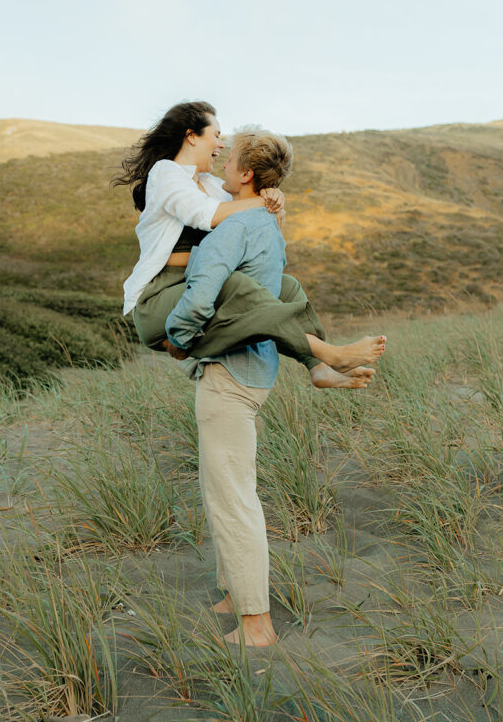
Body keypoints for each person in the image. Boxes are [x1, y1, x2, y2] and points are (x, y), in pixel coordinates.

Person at [165, 129, 372, 646]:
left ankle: (255, 623)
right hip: (257, 370)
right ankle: (235, 593)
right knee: (225, 490)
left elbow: (199, 297)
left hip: (230, 375)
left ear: (247, 174)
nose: (223, 167)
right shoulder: (269, 225)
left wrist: (176, 340)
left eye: (230, 160)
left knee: (233, 498)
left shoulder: (232, 231)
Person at [113, 100, 386, 385]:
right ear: (192, 135)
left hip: (199, 287)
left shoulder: (212, 185)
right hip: (162, 296)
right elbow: (206, 215)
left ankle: (317, 367)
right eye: (216, 135)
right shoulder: (166, 172)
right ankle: (331, 354)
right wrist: (260, 201)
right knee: (237, 286)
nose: (220, 145)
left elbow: (253, 231)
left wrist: (276, 206)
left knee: (287, 286)